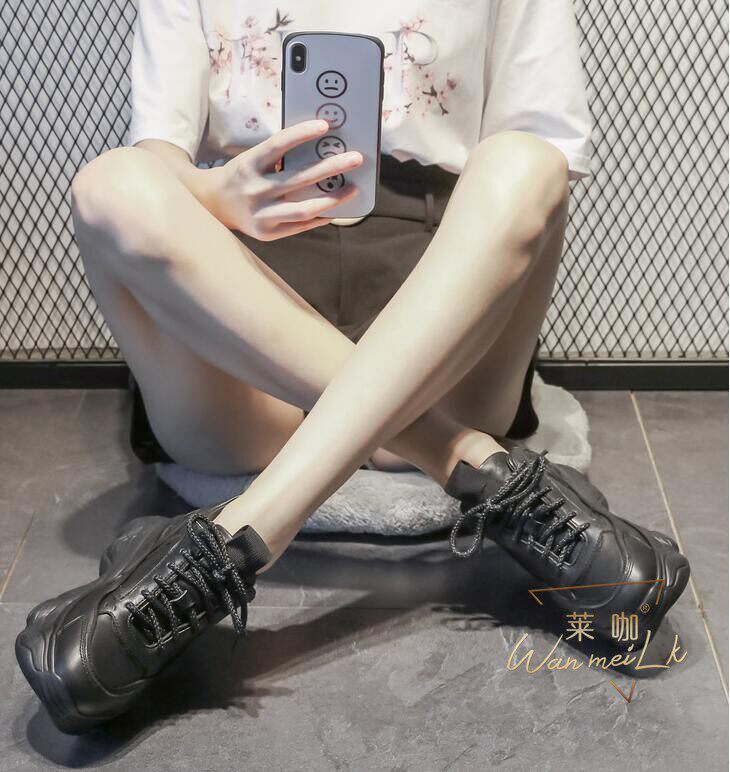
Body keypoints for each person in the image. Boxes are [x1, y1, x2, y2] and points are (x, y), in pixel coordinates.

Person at [15, 1, 690, 733]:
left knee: (529, 161)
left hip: (442, 316)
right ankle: (471, 465)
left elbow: (548, 136)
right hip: (243, 322)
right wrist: (214, 194)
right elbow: (158, 153)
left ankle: (233, 546)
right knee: (110, 182)